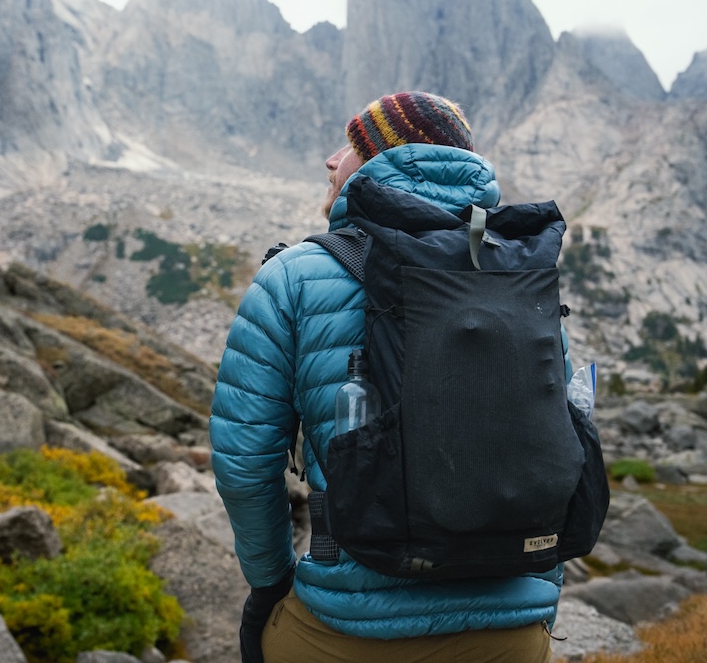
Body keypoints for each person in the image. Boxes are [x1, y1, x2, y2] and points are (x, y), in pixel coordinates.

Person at [210, 92, 565, 663]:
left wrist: (270, 583)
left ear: (381, 158)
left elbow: (245, 464)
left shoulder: (296, 276)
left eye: (351, 144)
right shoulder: (521, 276)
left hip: (345, 633)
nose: (331, 159)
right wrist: (541, 595)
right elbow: (558, 445)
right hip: (514, 636)